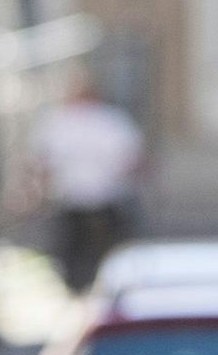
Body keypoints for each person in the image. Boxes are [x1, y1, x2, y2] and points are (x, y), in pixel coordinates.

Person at [26, 71, 145, 289]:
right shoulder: (68, 121)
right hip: (84, 201)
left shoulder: (67, 122)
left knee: (92, 259)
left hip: (96, 201)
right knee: (91, 258)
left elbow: (41, 163)